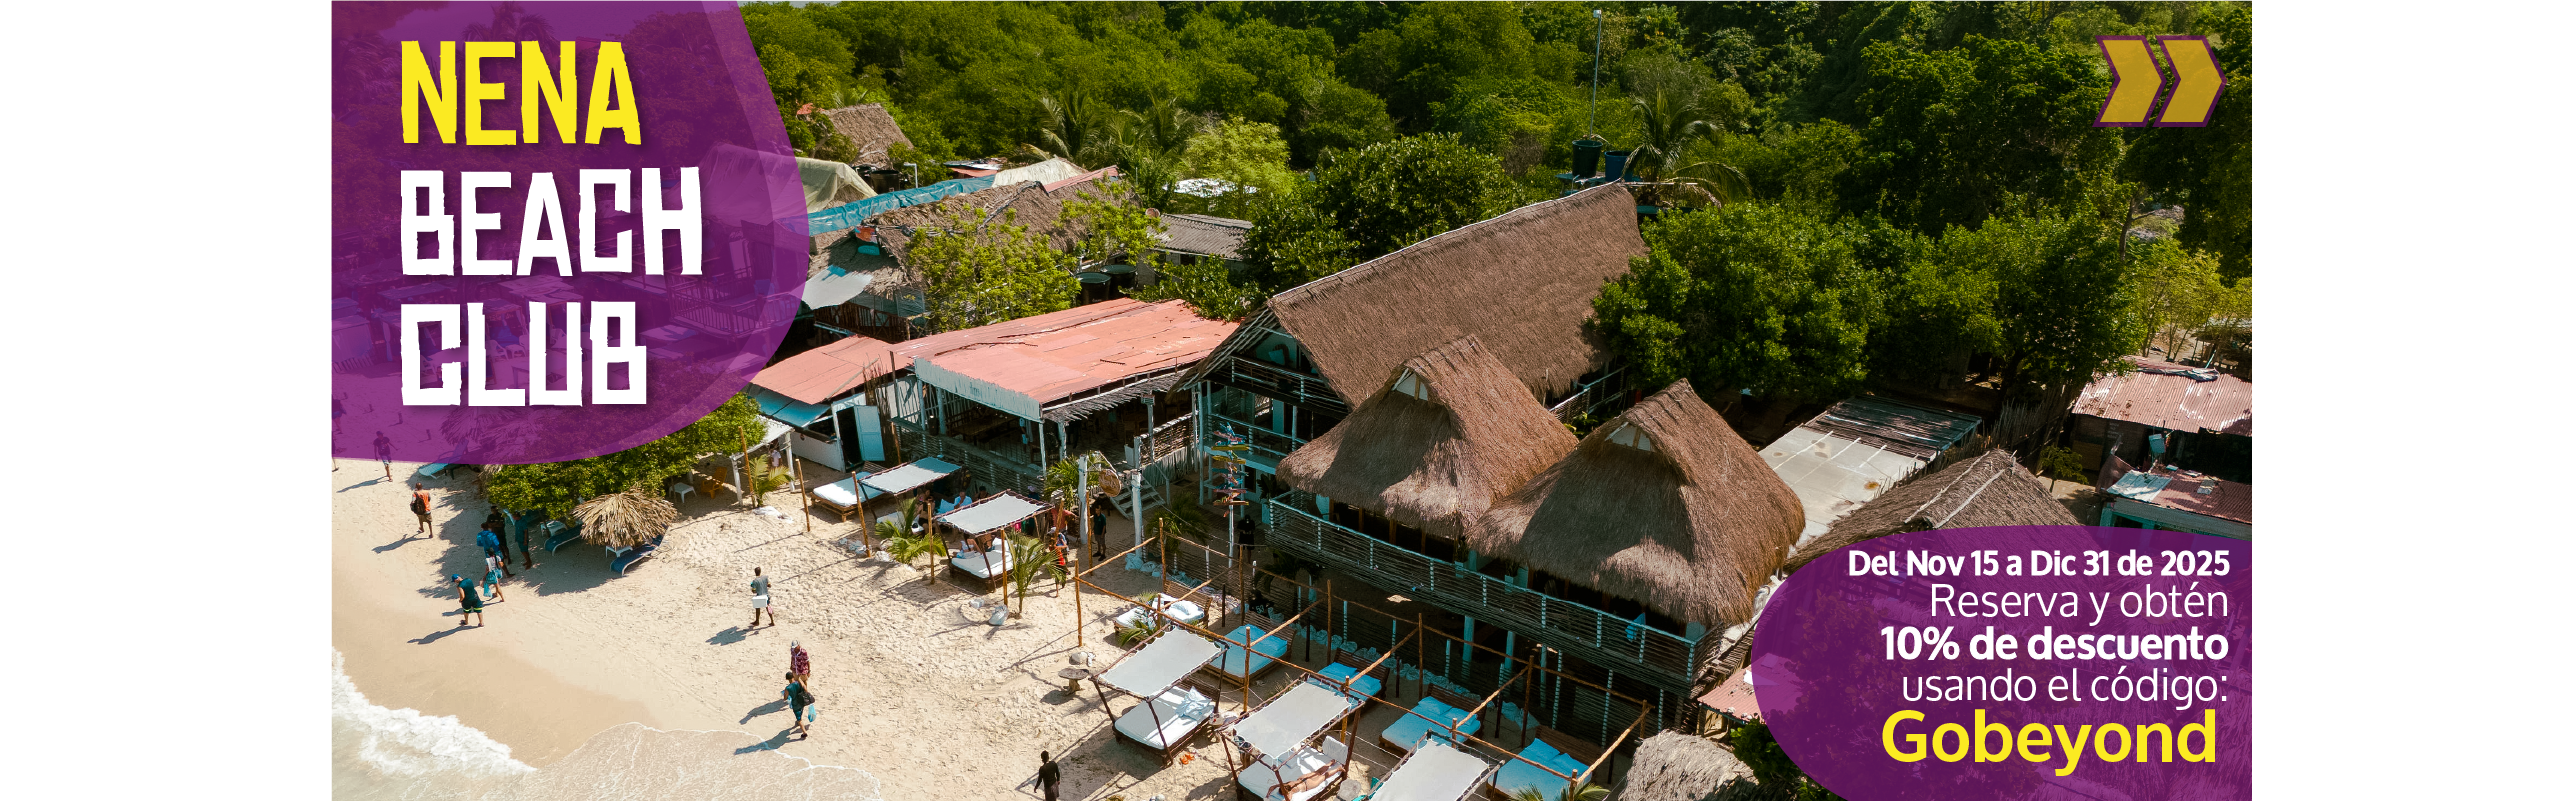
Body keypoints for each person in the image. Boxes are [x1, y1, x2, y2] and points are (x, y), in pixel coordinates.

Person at [783, 673, 813, 739]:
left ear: (787, 679)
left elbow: (785, 698)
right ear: (793, 676)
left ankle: (804, 732)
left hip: (795, 703)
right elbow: (805, 688)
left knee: (799, 719)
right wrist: (800, 680)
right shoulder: (798, 683)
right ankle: (797, 722)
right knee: (800, 711)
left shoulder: (787, 688)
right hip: (802, 701)